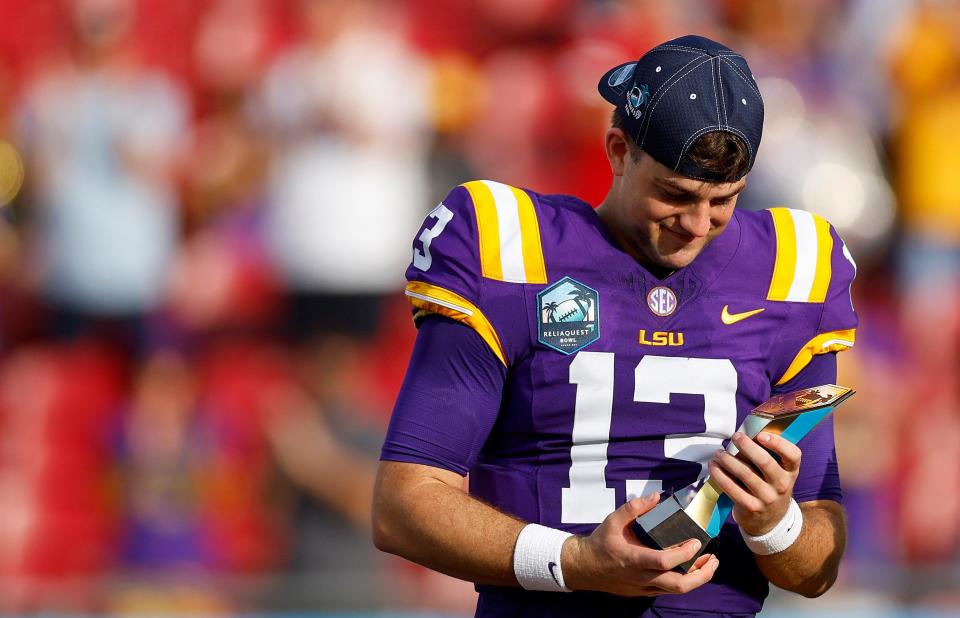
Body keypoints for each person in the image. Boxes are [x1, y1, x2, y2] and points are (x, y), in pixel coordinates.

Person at [373, 35, 857, 617]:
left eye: (724, 199)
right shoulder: (511, 247)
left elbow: (816, 570)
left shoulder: (793, 266)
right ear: (619, 150)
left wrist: (775, 522)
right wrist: (575, 563)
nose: (698, 224)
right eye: (675, 194)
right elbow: (403, 504)